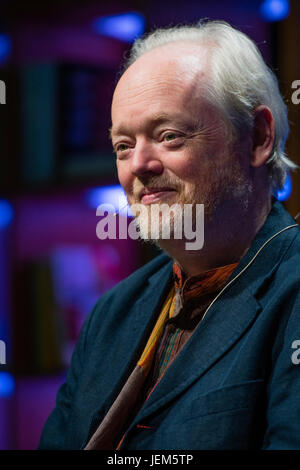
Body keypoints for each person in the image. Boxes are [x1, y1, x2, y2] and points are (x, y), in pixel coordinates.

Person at [38, 20, 300, 450]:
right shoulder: (112, 312)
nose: (138, 164)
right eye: (123, 145)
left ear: (257, 137)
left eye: (169, 136)